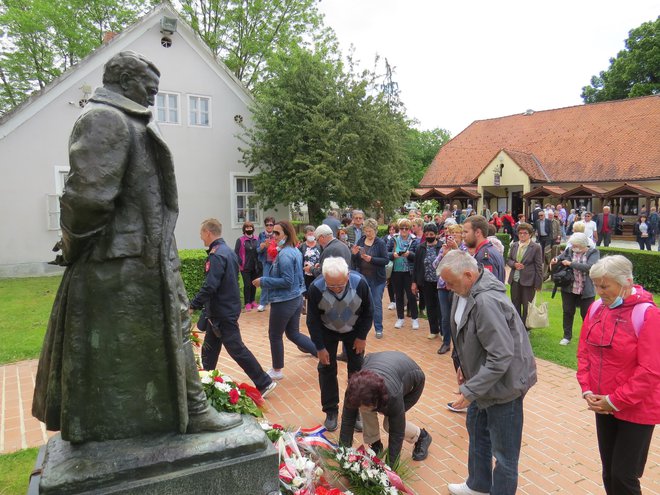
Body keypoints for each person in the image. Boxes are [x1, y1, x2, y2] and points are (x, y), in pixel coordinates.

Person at [32, 51, 241, 443]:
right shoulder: (103, 119)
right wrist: (73, 244)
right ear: (124, 81)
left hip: (140, 259)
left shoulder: (123, 117)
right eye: (149, 87)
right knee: (118, 350)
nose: (153, 95)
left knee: (172, 332)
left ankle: (190, 411)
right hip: (117, 263)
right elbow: (88, 198)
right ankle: (155, 418)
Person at [438, 250, 537, 495]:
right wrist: (463, 363)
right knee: (478, 433)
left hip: (505, 386)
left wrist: (469, 391)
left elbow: (501, 354)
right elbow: (466, 334)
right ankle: (478, 485)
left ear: (469, 275)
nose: (447, 287)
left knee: (504, 453)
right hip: (483, 380)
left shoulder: (486, 301)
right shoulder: (464, 291)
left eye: (450, 282)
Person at [577, 255, 660, 495]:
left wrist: (615, 401)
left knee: (624, 475)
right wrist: (588, 390)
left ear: (626, 282)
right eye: (596, 285)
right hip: (603, 404)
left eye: (605, 286)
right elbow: (584, 353)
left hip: (636, 408)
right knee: (609, 471)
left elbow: (651, 370)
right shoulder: (595, 309)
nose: (599, 291)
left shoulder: (647, 315)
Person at [190, 219, 276, 398]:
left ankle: (264, 382)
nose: (200, 237)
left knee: (236, 349)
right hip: (223, 309)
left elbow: (211, 285)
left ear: (208, 232)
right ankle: (205, 381)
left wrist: (193, 305)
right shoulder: (227, 251)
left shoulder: (217, 255)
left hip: (222, 311)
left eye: (201, 233)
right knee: (209, 348)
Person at [307, 257, 373, 431]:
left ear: (348, 276)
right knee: (326, 368)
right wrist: (320, 348)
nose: (336, 289)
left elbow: (369, 312)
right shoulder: (315, 288)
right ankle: (331, 411)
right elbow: (312, 320)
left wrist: (362, 337)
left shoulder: (360, 284)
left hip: (354, 330)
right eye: (331, 285)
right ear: (324, 278)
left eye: (340, 285)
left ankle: (354, 410)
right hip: (327, 329)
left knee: (356, 371)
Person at [339, 351, 432, 463]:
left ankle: (422, 436)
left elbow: (396, 434)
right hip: (384, 365)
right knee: (365, 410)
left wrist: (389, 469)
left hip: (413, 380)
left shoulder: (393, 395)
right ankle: (375, 445)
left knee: (389, 424)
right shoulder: (354, 390)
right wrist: (343, 453)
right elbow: (348, 420)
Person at [253, 221, 317, 380]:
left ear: (286, 235)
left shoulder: (285, 255)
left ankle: (277, 370)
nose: (273, 236)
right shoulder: (293, 251)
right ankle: (320, 351)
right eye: (273, 232)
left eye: (277, 233)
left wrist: (263, 281)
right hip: (295, 298)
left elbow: (287, 280)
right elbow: (297, 278)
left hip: (285, 300)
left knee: (275, 335)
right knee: (293, 333)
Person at [550, 233, 600, 345]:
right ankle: (567, 336)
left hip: (586, 289)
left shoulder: (593, 252)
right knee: (568, 312)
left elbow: (590, 267)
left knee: (586, 314)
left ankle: (589, 337)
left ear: (583, 245)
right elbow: (561, 256)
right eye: (573, 245)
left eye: (576, 245)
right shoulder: (570, 250)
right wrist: (555, 259)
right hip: (569, 288)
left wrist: (570, 264)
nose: (574, 248)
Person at [351, 218, 388, 339]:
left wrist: (371, 259)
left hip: (377, 279)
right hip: (363, 277)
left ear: (375, 231)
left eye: (370, 231)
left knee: (376, 302)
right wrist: (355, 253)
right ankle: (361, 327)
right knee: (361, 302)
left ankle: (378, 328)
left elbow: (385, 260)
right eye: (366, 231)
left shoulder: (380, 243)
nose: (368, 234)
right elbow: (355, 260)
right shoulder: (361, 240)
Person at [506, 223, 543, 330]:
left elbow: (538, 266)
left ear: (530, 234)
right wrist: (514, 264)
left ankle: (526, 328)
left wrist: (538, 283)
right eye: (520, 233)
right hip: (515, 280)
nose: (522, 235)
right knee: (515, 303)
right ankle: (516, 326)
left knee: (527, 306)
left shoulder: (535, 247)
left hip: (529, 281)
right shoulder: (514, 245)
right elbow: (508, 260)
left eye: (525, 233)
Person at [412, 223, 443, 340]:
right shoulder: (421, 247)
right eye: (427, 234)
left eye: (432, 234)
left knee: (441, 307)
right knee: (430, 307)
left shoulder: (441, 247)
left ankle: (443, 330)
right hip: (426, 282)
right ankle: (433, 330)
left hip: (440, 282)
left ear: (436, 234)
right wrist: (414, 282)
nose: (429, 236)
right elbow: (416, 267)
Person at [387, 218, 419, 329]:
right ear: (399, 229)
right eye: (402, 228)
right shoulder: (393, 239)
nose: (404, 230)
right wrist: (393, 255)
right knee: (398, 295)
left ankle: (415, 319)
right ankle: (400, 318)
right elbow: (386, 253)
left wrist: (409, 254)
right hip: (396, 271)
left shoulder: (414, 240)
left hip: (409, 272)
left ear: (410, 229)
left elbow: (418, 257)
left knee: (411, 295)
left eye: (406, 228)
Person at [462, 215, 505, 283]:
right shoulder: (491, 250)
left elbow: (487, 286)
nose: (463, 236)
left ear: (478, 232)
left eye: (466, 232)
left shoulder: (484, 256)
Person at [234, 221, 260, 311]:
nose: (249, 229)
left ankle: (253, 300)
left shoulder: (257, 239)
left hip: (255, 266)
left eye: (250, 227)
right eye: (247, 228)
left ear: (253, 229)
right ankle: (247, 303)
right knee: (247, 285)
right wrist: (240, 262)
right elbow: (235, 253)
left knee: (254, 284)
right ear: (244, 229)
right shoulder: (240, 240)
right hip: (245, 267)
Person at [256, 216, 277, 311]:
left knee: (276, 281)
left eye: (271, 224)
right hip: (266, 262)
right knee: (265, 281)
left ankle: (275, 301)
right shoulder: (261, 235)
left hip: (276, 261)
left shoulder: (277, 234)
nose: (269, 226)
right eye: (267, 224)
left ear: (274, 225)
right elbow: (257, 250)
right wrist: (262, 246)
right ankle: (263, 303)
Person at [300, 225, 321, 315]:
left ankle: (316, 308)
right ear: (305, 235)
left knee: (316, 290)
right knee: (306, 290)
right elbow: (299, 258)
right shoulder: (302, 246)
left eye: (312, 233)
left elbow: (323, 256)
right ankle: (304, 308)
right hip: (305, 272)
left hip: (316, 272)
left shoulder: (319, 245)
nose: (311, 235)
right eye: (309, 234)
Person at [385, 222, 398, 311]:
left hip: (401, 265)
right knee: (390, 283)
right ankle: (392, 301)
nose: (391, 231)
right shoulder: (389, 239)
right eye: (390, 229)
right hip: (391, 264)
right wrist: (393, 254)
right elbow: (385, 252)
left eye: (393, 229)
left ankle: (400, 301)